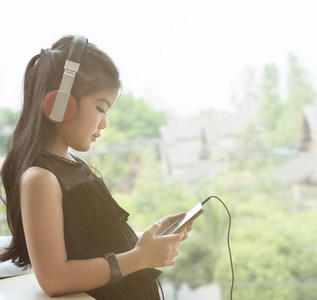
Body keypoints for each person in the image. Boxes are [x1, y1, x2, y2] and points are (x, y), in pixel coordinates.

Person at [0, 35, 191, 299]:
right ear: (60, 105)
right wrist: (139, 258)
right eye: (101, 108)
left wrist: (151, 238)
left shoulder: (74, 165)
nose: (104, 124)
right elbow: (54, 278)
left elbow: (96, 243)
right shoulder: (40, 178)